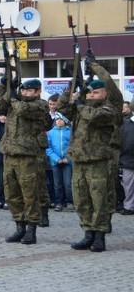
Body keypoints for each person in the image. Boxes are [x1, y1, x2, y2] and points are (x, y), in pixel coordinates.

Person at [57, 73, 121, 252]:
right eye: (89, 93)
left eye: (96, 93)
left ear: (104, 94)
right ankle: (88, 233)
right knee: (81, 199)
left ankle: (99, 236)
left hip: (98, 161)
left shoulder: (108, 110)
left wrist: (79, 104)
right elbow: (62, 105)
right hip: (79, 160)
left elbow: (93, 116)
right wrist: (72, 85)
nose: (92, 96)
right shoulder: (81, 107)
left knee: (99, 200)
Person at [0, 78, 49, 245]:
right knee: (12, 194)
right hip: (9, 153)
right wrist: (4, 86)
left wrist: (14, 97)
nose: (24, 93)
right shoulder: (14, 102)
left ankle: (31, 230)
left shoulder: (40, 105)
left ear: (37, 91)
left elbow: (23, 110)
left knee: (30, 195)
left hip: (28, 155)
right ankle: (19, 227)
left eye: (28, 90)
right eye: (23, 90)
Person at [46, 112, 73, 211]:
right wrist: (57, 159)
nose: (58, 121)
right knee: (57, 184)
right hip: (55, 162)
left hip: (67, 162)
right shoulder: (51, 132)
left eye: (61, 119)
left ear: (65, 121)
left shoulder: (70, 132)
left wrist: (67, 158)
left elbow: (72, 147)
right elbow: (48, 148)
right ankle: (59, 202)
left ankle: (70, 201)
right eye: (57, 119)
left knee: (68, 183)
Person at [120, 102, 134, 215]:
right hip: (128, 159)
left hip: (127, 159)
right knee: (128, 185)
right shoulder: (126, 124)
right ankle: (129, 207)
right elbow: (122, 142)